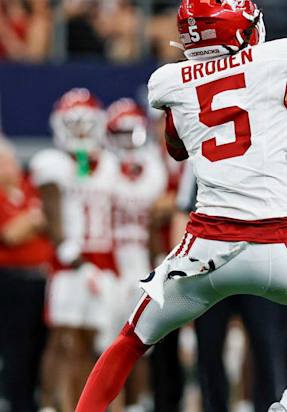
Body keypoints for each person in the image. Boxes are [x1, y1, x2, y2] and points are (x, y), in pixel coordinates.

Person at [75, 0, 287, 412]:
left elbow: (177, 148)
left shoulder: (170, 81)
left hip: (201, 253)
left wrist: (187, 105)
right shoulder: (278, 60)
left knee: (130, 340)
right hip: (273, 248)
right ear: (240, 29)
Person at [32, 88, 120, 412]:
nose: (81, 132)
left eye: (86, 124)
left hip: (106, 264)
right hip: (69, 267)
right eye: (74, 124)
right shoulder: (52, 163)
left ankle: (82, 407)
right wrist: (77, 260)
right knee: (63, 340)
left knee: (93, 344)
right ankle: (52, 406)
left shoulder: (111, 164)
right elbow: (55, 220)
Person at [105, 98, 168, 410]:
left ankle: (136, 405)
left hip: (142, 262)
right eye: (121, 134)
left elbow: (159, 218)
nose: (129, 143)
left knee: (140, 342)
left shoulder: (154, 168)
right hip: (110, 264)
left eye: (134, 134)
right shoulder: (101, 167)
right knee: (105, 343)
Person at [0, 138, 52, 412]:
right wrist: (33, 220)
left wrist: (30, 221)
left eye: (8, 159)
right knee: (16, 349)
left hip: (43, 280)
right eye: (1, 161)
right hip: (9, 282)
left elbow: (52, 222)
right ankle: (20, 405)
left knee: (41, 348)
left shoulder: (31, 189)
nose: (9, 165)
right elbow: (10, 234)